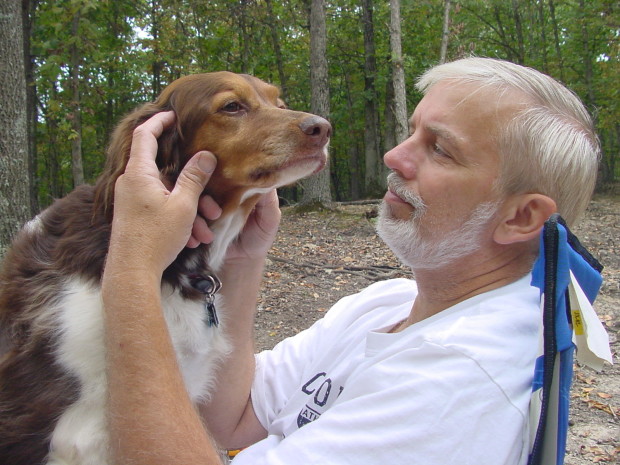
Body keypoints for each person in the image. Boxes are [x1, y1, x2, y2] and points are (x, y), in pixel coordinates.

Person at [101, 57, 600, 465]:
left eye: (440, 149)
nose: (394, 157)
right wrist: (245, 257)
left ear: (521, 217)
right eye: (411, 132)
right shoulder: (391, 304)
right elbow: (232, 414)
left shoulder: (455, 381)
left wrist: (131, 272)